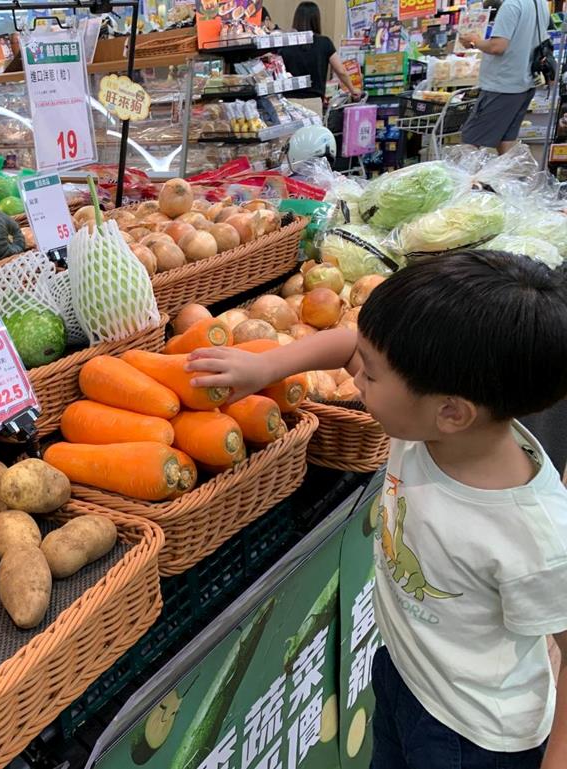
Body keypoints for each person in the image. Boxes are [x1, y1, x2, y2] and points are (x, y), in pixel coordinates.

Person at [186, 251, 567, 769]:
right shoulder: (427, 425)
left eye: (372, 375)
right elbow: (348, 345)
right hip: (405, 674)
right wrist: (266, 366)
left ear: (452, 411)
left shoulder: (534, 535)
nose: (357, 380)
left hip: (472, 736)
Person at [459, 0, 550, 155]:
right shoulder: (540, 3)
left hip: (502, 84)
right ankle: (508, 171)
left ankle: (466, 172)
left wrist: (474, 41)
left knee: (471, 142)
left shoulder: (511, 5)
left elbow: (497, 46)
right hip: (524, 82)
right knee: (506, 141)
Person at [280, 1, 362, 117]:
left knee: (291, 130)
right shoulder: (324, 42)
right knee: (314, 129)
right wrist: (352, 89)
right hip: (314, 101)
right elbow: (341, 71)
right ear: (316, 19)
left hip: (289, 102)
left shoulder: (286, 42)